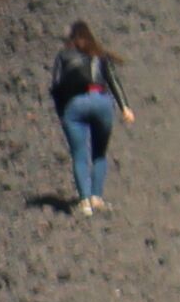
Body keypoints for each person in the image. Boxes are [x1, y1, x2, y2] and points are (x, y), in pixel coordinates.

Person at [49, 23, 133, 214]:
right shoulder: (100, 55)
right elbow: (113, 80)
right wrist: (125, 107)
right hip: (102, 102)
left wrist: (62, 112)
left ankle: (85, 202)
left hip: (75, 104)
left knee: (79, 155)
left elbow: (56, 87)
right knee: (99, 153)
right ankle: (97, 197)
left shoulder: (63, 56)